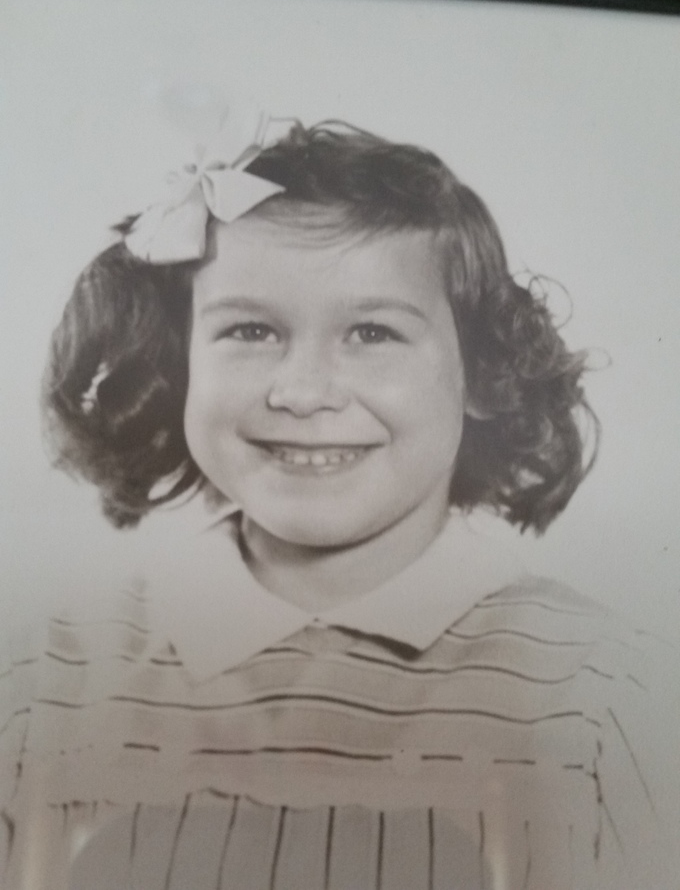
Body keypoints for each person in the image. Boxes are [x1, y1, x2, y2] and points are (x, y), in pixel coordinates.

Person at [1, 112, 678, 890]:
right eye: (251, 330)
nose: (303, 391)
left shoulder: (610, 702)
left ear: (484, 371)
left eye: (372, 334)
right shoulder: (42, 685)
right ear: (179, 363)